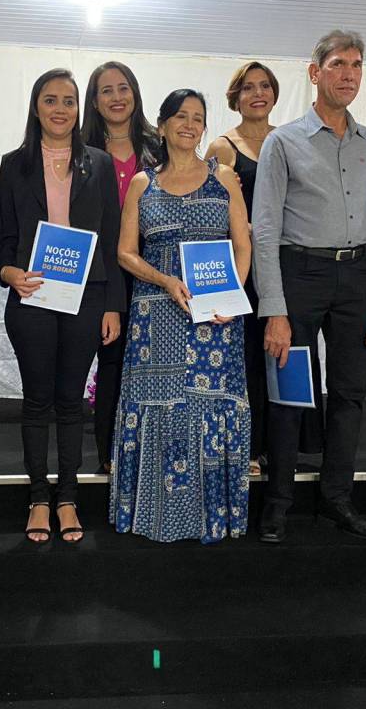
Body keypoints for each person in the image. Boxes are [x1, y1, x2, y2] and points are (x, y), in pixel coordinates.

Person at [253, 30, 366, 543]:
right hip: (300, 275)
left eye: (357, 65)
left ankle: (337, 501)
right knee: (289, 394)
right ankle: (277, 504)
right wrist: (274, 309)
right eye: (338, 64)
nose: (349, 74)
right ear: (315, 72)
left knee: (351, 395)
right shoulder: (283, 142)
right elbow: (265, 230)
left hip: (356, 278)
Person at [109, 88, 252, 543]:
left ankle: (210, 517)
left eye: (197, 118)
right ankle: (153, 515)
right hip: (155, 318)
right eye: (181, 117)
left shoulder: (223, 177)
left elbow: (243, 245)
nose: (190, 125)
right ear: (163, 125)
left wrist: (231, 298)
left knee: (210, 407)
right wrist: (165, 280)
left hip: (215, 320)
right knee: (157, 408)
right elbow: (126, 252)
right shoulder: (142, 183)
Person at [0, 68, 124, 544]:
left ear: (79, 109)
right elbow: (3, 233)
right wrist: (7, 272)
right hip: (31, 293)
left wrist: (112, 305)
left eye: (69, 101)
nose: (60, 109)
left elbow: (111, 238)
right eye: (50, 100)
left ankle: (67, 497)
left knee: (71, 401)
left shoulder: (99, 163)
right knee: (36, 401)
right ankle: (37, 498)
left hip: (86, 297)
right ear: (36, 107)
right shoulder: (13, 165)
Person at [205, 61, 287, 477]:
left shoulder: (289, 140)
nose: (258, 93)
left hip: (285, 263)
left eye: (265, 86)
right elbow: (206, 211)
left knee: (285, 354)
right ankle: (249, 447)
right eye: (248, 87)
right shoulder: (221, 148)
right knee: (248, 356)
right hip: (242, 265)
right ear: (235, 97)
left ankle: (284, 445)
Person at [81, 61, 160, 474]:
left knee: (154, 362)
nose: (116, 97)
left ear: (135, 94)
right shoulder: (79, 150)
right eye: (106, 90)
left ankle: (151, 449)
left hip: (154, 270)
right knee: (111, 361)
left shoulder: (160, 147)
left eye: (123, 88)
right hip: (99, 273)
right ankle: (110, 454)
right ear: (94, 101)